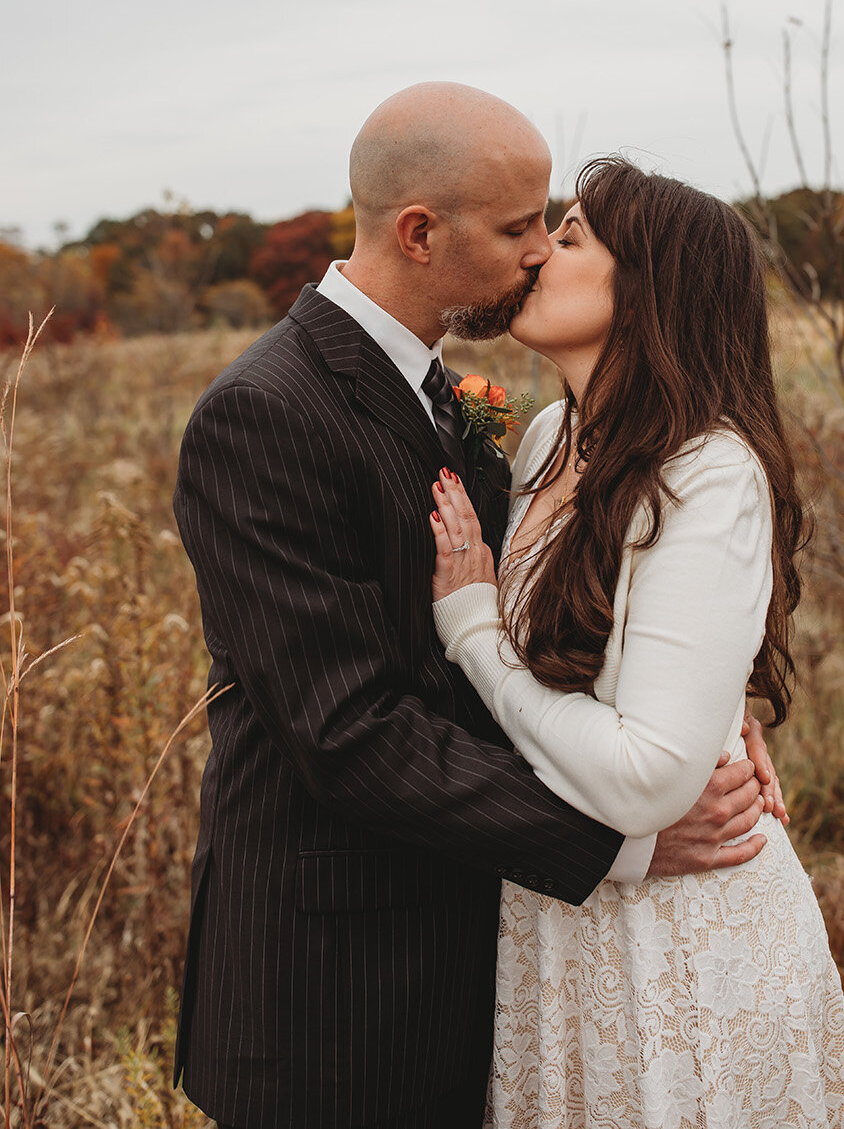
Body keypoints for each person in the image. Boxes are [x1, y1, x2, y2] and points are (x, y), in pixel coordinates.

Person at [172, 84, 781, 1129]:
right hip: (336, 983)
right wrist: (623, 839)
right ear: (419, 233)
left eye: (553, 225)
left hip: (483, 937)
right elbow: (348, 731)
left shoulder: (474, 405)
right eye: (517, 228)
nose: (540, 251)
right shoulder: (266, 414)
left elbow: (573, 608)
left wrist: (713, 711)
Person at [429, 156, 844, 1128]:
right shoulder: (543, 440)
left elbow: (649, 782)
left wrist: (471, 631)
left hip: (688, 940)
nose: (539, 252)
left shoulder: (706, 472)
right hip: (558, 923)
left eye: (572, 236)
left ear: (650, 288)